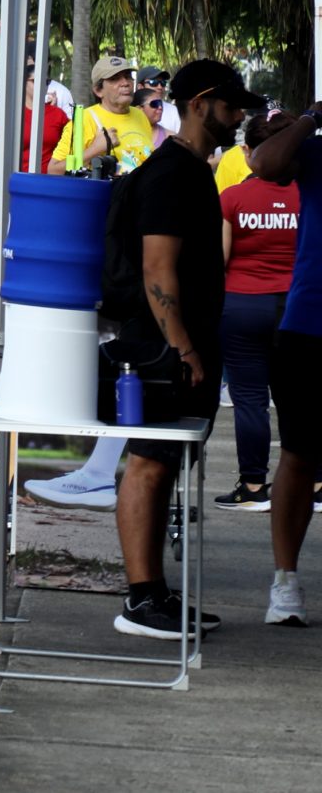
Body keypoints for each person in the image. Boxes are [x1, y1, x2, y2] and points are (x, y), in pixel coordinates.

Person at [97, 58, 251, 640]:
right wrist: (183, 349)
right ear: (199, 104)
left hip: (181, 341)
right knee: (149, 461)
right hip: (162, 347)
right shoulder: (170, 175)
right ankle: (141, 599)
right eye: (230, 106)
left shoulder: (192, 170)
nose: (238, 116)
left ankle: (154, 591)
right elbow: (157, 269)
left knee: (163, 464)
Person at [249, 91, 322, 626]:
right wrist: (312, 118)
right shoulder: (316, 152)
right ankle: (285, 582)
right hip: (310, 327)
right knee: (299, 456)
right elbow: (265, 163)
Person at [215, 110, 301, 509]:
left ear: (249, 152)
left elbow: (220, 260)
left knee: (250, 399)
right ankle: (315, 484)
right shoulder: (310, 196)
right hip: (298, 307)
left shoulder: (232, 198)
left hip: (243, 305)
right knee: (301, 398)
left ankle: (253, 487)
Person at [48, 54, 154, 176]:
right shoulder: (84, 119)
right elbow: (54, 170)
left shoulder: (140, 115)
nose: (125, 83)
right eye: (114, 79)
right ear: (98, 91)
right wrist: (95, 149)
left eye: (128, 76)